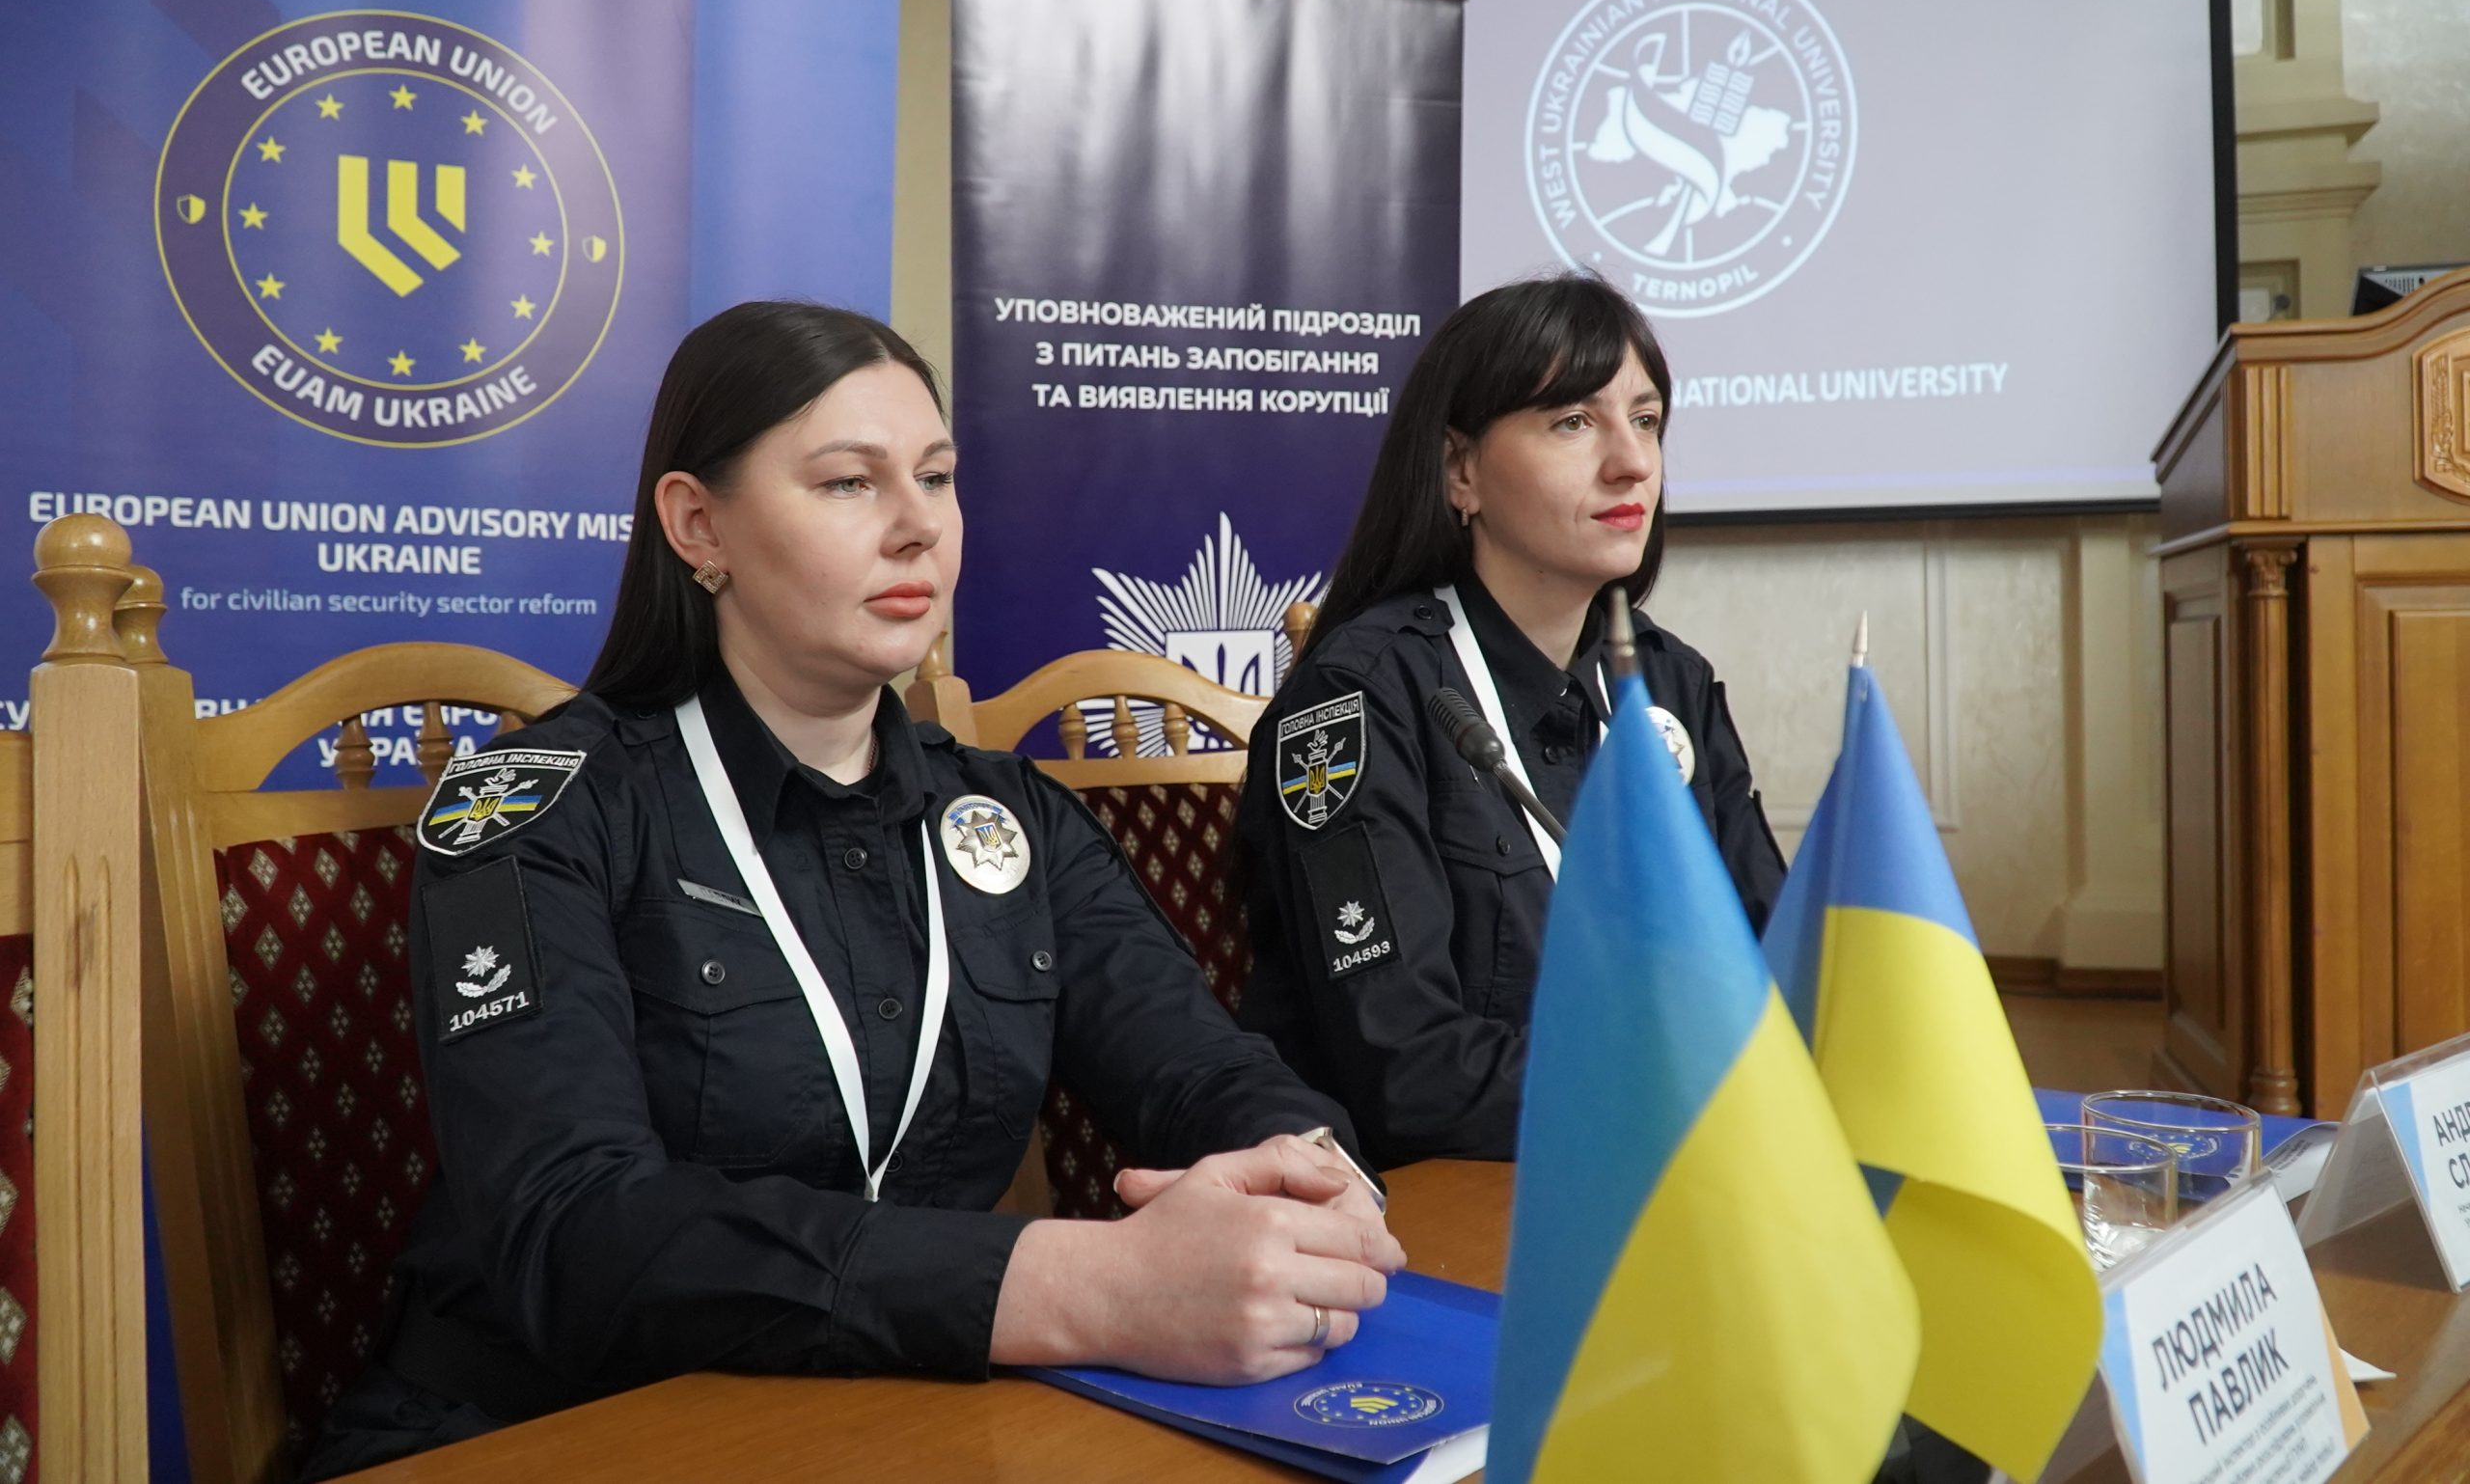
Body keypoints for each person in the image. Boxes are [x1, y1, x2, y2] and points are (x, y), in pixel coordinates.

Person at [304, 302, 1399, 1476]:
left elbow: (1197, 1066)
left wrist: (1308, 1173)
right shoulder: (536, 809)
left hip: (885, 1414)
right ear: (697, 524)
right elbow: (572, 1230)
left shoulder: (1010, 814)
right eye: (848, 483)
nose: (918, 526)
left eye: (936, 477)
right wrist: (1075, 1284)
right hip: (549, 1427)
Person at [1236, 272, 1786, 1169]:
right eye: (1573, 421)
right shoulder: (1360, 699)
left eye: (1646, 419)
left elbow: (1776, 958)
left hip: (1663, 1166)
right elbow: (1407, 1070)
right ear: (1461, 471)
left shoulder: (1669, 682)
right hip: (1430, 1199)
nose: (1633, 462)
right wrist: (1675, 1085)